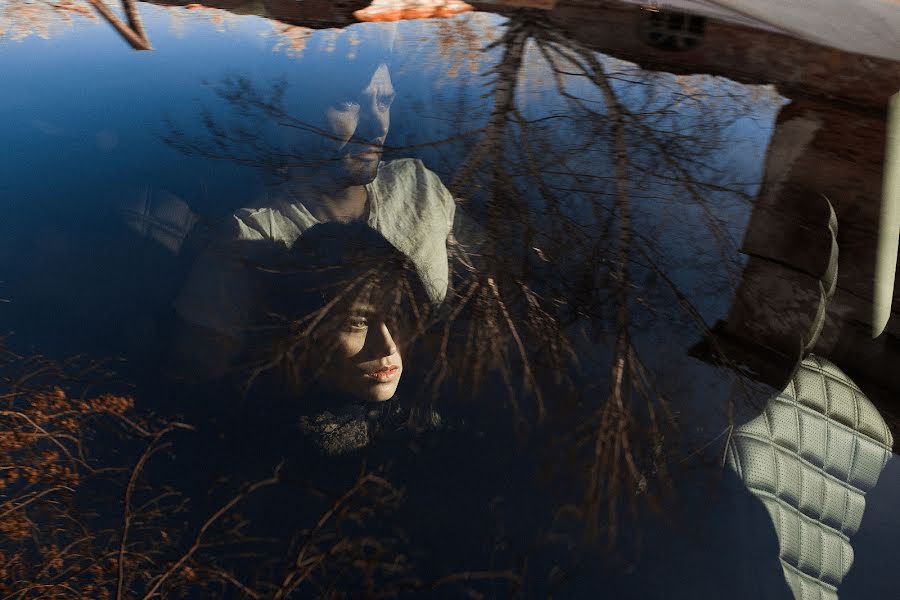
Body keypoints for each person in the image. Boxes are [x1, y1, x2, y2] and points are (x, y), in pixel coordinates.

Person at [171, 24, 458, 383]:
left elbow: (484, 288)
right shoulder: (248, 240)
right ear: (291, 114)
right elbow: (200, 386)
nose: (376, 124)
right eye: (348, 102)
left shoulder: (419, 186)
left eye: (383, 101)